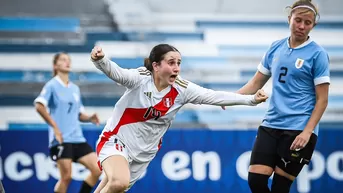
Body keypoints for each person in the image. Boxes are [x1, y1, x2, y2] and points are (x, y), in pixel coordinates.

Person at [90, 44, 269, 193]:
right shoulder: (140, 79)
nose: (176, 67)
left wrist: (251, 100)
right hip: (117, 140)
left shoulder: (182, 89)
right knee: (119, 182)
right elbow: (117, 73)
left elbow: (213, 96)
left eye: (178, 63)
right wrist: (101, 60)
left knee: (111, 186)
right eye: (171, 62)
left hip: (144, 153)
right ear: (156, 66)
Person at [223, 0, 329, 192]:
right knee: (256, 181)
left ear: (313, 25)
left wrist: (307, 132)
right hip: (271, 125)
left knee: (280, 188)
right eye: (298, 20)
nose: (302, 26)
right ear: (290, 19)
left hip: (298, 129)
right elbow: (256, 83)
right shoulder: (275, 48)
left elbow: (322, 100)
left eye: (307, 22)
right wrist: (232, 98)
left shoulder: (318, 54)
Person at [34, 52, 102, 193]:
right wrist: (55, 128)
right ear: (55, 65)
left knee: (97, 168)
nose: (67, 62)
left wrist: (89, 117)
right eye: (63, 60)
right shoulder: (52, 85)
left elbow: (79, 114)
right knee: (66, 177)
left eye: (69, 60)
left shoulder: (74, 89)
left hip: (77, 138)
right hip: (61, 140)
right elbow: (39, 105)